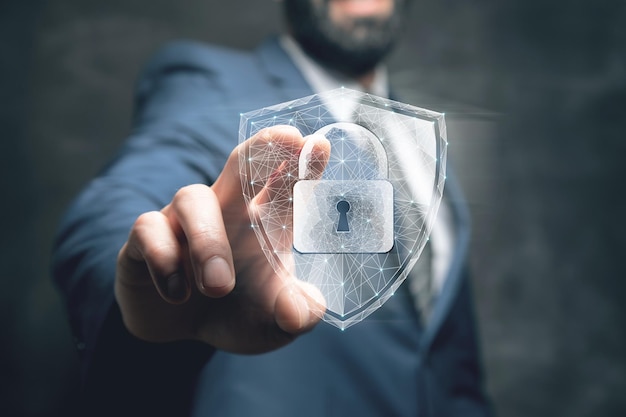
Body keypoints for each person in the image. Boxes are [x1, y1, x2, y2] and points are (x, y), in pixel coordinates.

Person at [53, 0, 492, 416]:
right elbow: (118, 202)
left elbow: (450, 366)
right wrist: (147, 283)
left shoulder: (419, 142)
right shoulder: (211, 83)